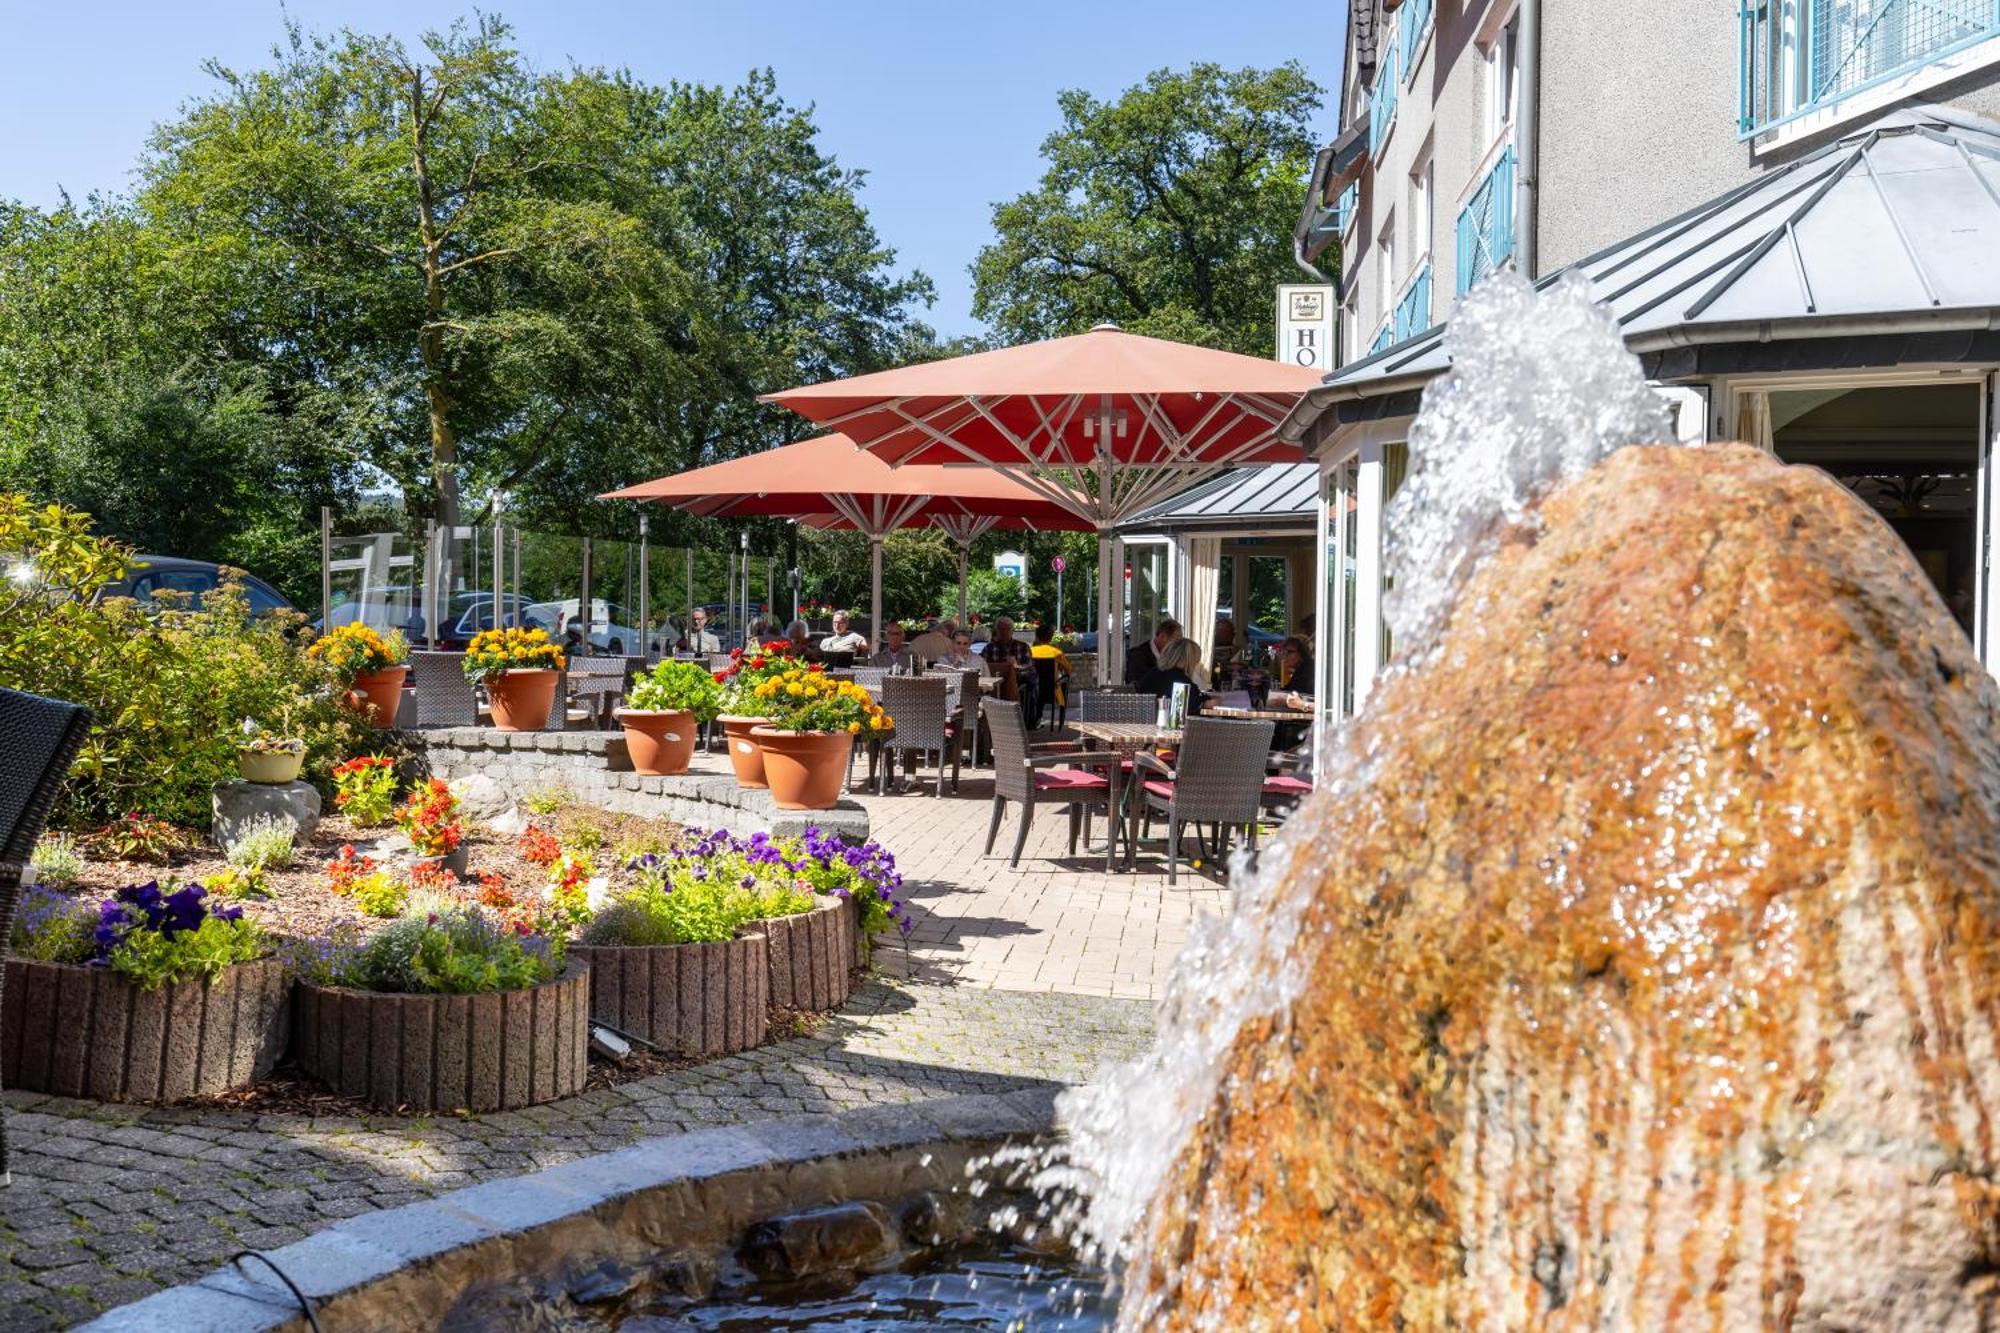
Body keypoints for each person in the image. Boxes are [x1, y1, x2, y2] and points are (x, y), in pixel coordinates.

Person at [1140, 636, 1209, 713]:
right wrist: (1206, 703)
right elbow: (1191, 703)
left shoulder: (1153, 673)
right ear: (1189, 660)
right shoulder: (1178, 678)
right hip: (1166, 721)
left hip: (1146, 720)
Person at [1028, 622, 1072, 717]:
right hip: (1050, 690)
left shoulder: (1030, 651)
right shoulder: (1056, 653)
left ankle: (1034, 716)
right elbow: (1068, 669)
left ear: (1037, 636)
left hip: (1032, 689)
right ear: (1051, 637)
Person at [1123, 618, 1182, 686]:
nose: (1177, 645)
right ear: (1163, 636)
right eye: (1176, 640)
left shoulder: (1172, 656)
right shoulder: (1138, 655)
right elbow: (1136, 683)